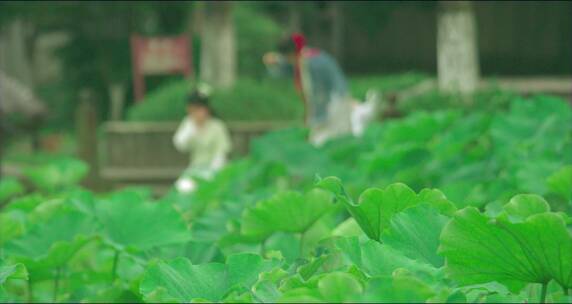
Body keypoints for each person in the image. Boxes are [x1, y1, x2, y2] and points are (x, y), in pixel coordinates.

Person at [263, 32, 380, 145]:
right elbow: (283, 69)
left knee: (330, 143)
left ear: (291, 54)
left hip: (332, 109)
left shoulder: (314, 63)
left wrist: (315, 120)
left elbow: (319, 96)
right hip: (332, 106)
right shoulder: (305, 59)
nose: (287, 60)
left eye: (286, 57)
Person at [173, 87, 231, 193]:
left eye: (198, 109)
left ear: (206, 109)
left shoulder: (218, 126)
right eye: (192, 110)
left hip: (215, 170)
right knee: (183, 188)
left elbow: (220, 155)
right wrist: (190, 129)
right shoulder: (188, 124)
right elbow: (180, 144)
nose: (196, 113)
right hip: (195, 169)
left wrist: (213, 174)